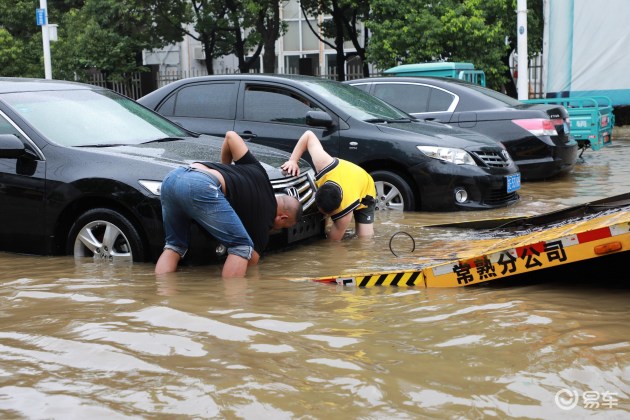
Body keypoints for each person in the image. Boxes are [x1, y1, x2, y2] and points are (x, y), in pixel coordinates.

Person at [155, 131, 302, 278]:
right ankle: (231, 299)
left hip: (172, 178)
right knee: (242, 247)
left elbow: (231, 136)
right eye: (284, 226)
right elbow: (251, 260)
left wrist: (226, 169)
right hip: (201, 185)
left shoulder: (260, 172)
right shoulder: (266, 220)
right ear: (282, 217)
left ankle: (163, 295)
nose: (278, 228)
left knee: (174, 246)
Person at [281, 130, 376, 241]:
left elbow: (333, 243)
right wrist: (293, 160)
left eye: (326, 214)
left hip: (366, 189)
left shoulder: (344, 215)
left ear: (336, 210)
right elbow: (308, 135)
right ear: (317, 191)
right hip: (346, 175)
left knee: (364, 239)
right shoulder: (323, 163)